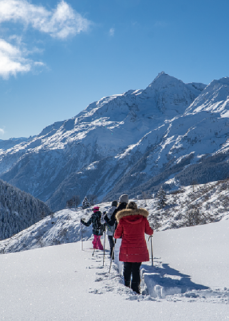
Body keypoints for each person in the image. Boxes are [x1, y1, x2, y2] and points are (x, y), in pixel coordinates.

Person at [114, 201, 153, 294]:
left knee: (127, 268)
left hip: (127, 249)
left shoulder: (122, 220)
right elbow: (149, 232)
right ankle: (136, 289)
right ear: (136, 208)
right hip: (139, 248)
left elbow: (116, 235)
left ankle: (127, 287)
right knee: (136, 269)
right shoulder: (143, 219)